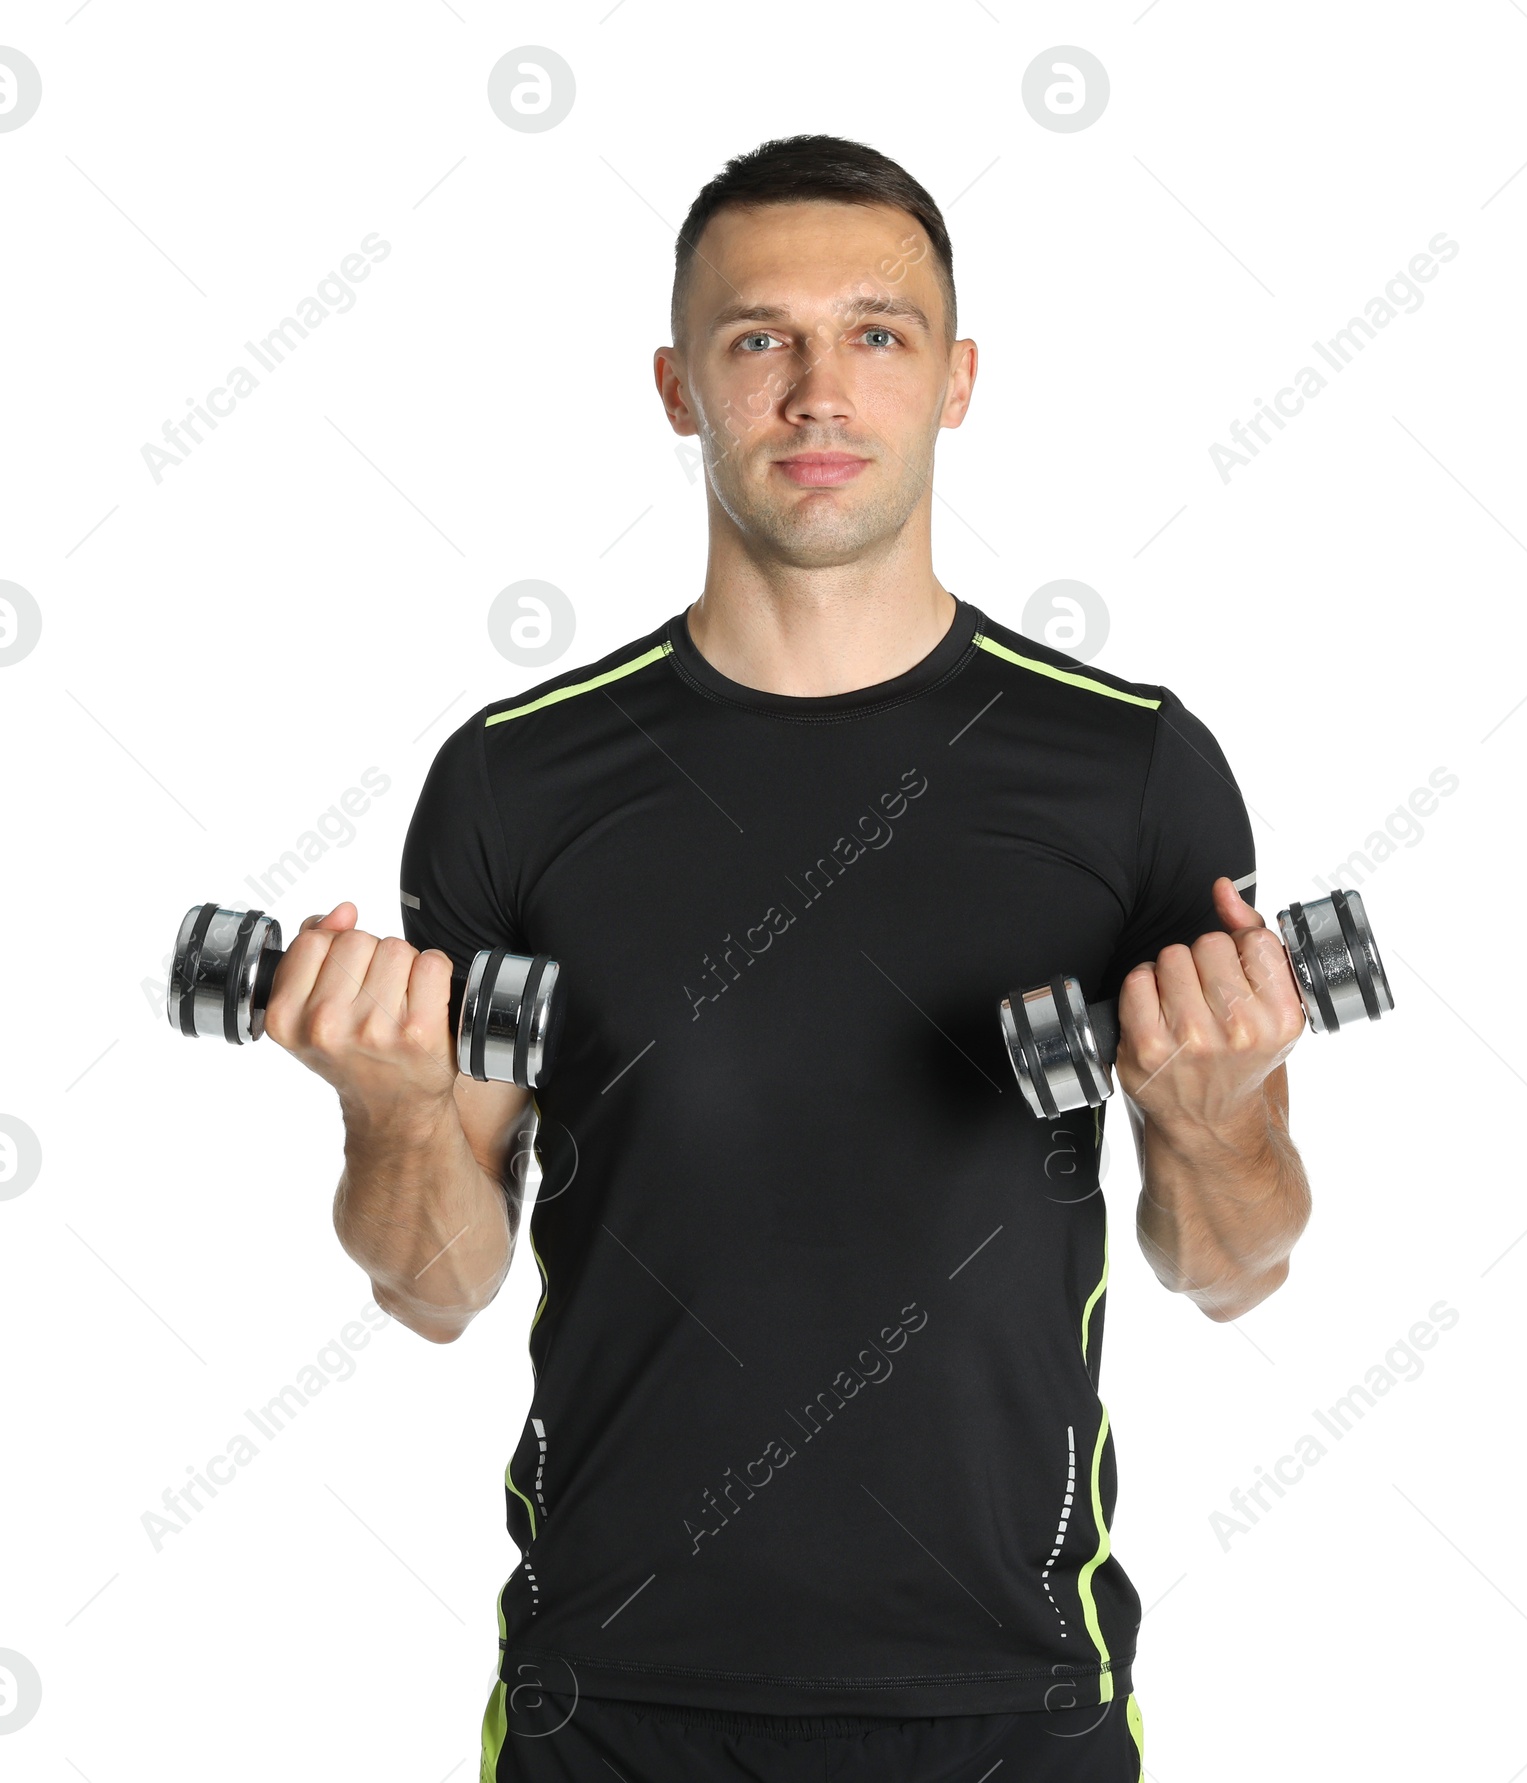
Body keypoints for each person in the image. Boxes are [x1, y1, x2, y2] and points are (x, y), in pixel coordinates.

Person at [265, 134, 1311, 1782]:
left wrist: (1217, 1113)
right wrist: (394, 1112)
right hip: (612, 1707)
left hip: (1015, 1703)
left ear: (955, 382)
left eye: (876, 335)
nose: (819, 390)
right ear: (680, 388)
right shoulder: (515, 778)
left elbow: (1234, 1269)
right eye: (759, 340)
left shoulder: (1131, 767)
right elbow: (434, 1289)